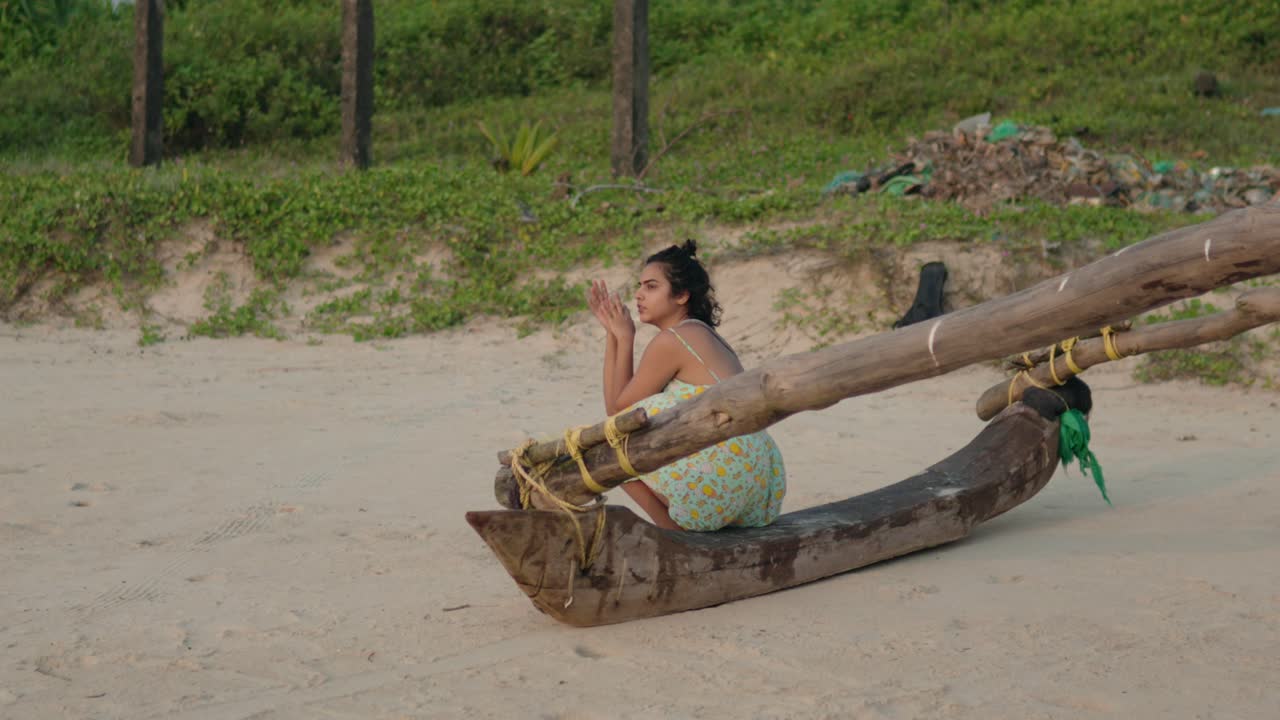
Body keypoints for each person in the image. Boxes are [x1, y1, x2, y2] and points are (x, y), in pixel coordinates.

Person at [586, 240, 786, 531]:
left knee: (610, 450)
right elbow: (619, 407)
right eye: (639, 287)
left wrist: (624, 337)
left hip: (723, 479)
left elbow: (617, 414)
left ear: (681, 295)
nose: (639, 295)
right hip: (759, 483)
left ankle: (675, 534)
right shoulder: (705, 334)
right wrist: (613, 335)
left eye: (651, 286)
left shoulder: (673, 341)